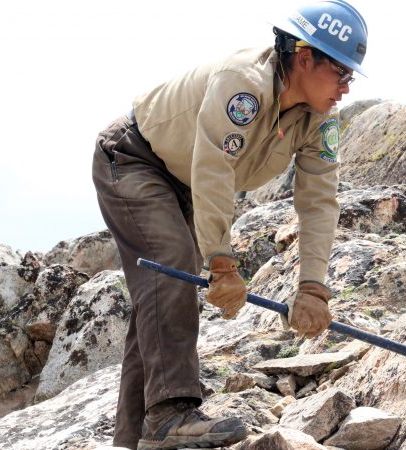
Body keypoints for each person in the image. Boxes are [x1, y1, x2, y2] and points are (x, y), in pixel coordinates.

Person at [91, 1, 367, 449]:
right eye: (341, 74)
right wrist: (221, 261)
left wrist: (313, 287)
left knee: (159, 300)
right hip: (133, 160)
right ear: (304, 58)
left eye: (352, 77)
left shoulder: (322, 122)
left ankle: (135, 439)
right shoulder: (244, 83)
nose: (346, 88)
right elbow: (214, 167)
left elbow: (319, 201)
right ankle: (170, 413)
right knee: (171, 264)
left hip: (182, 182)